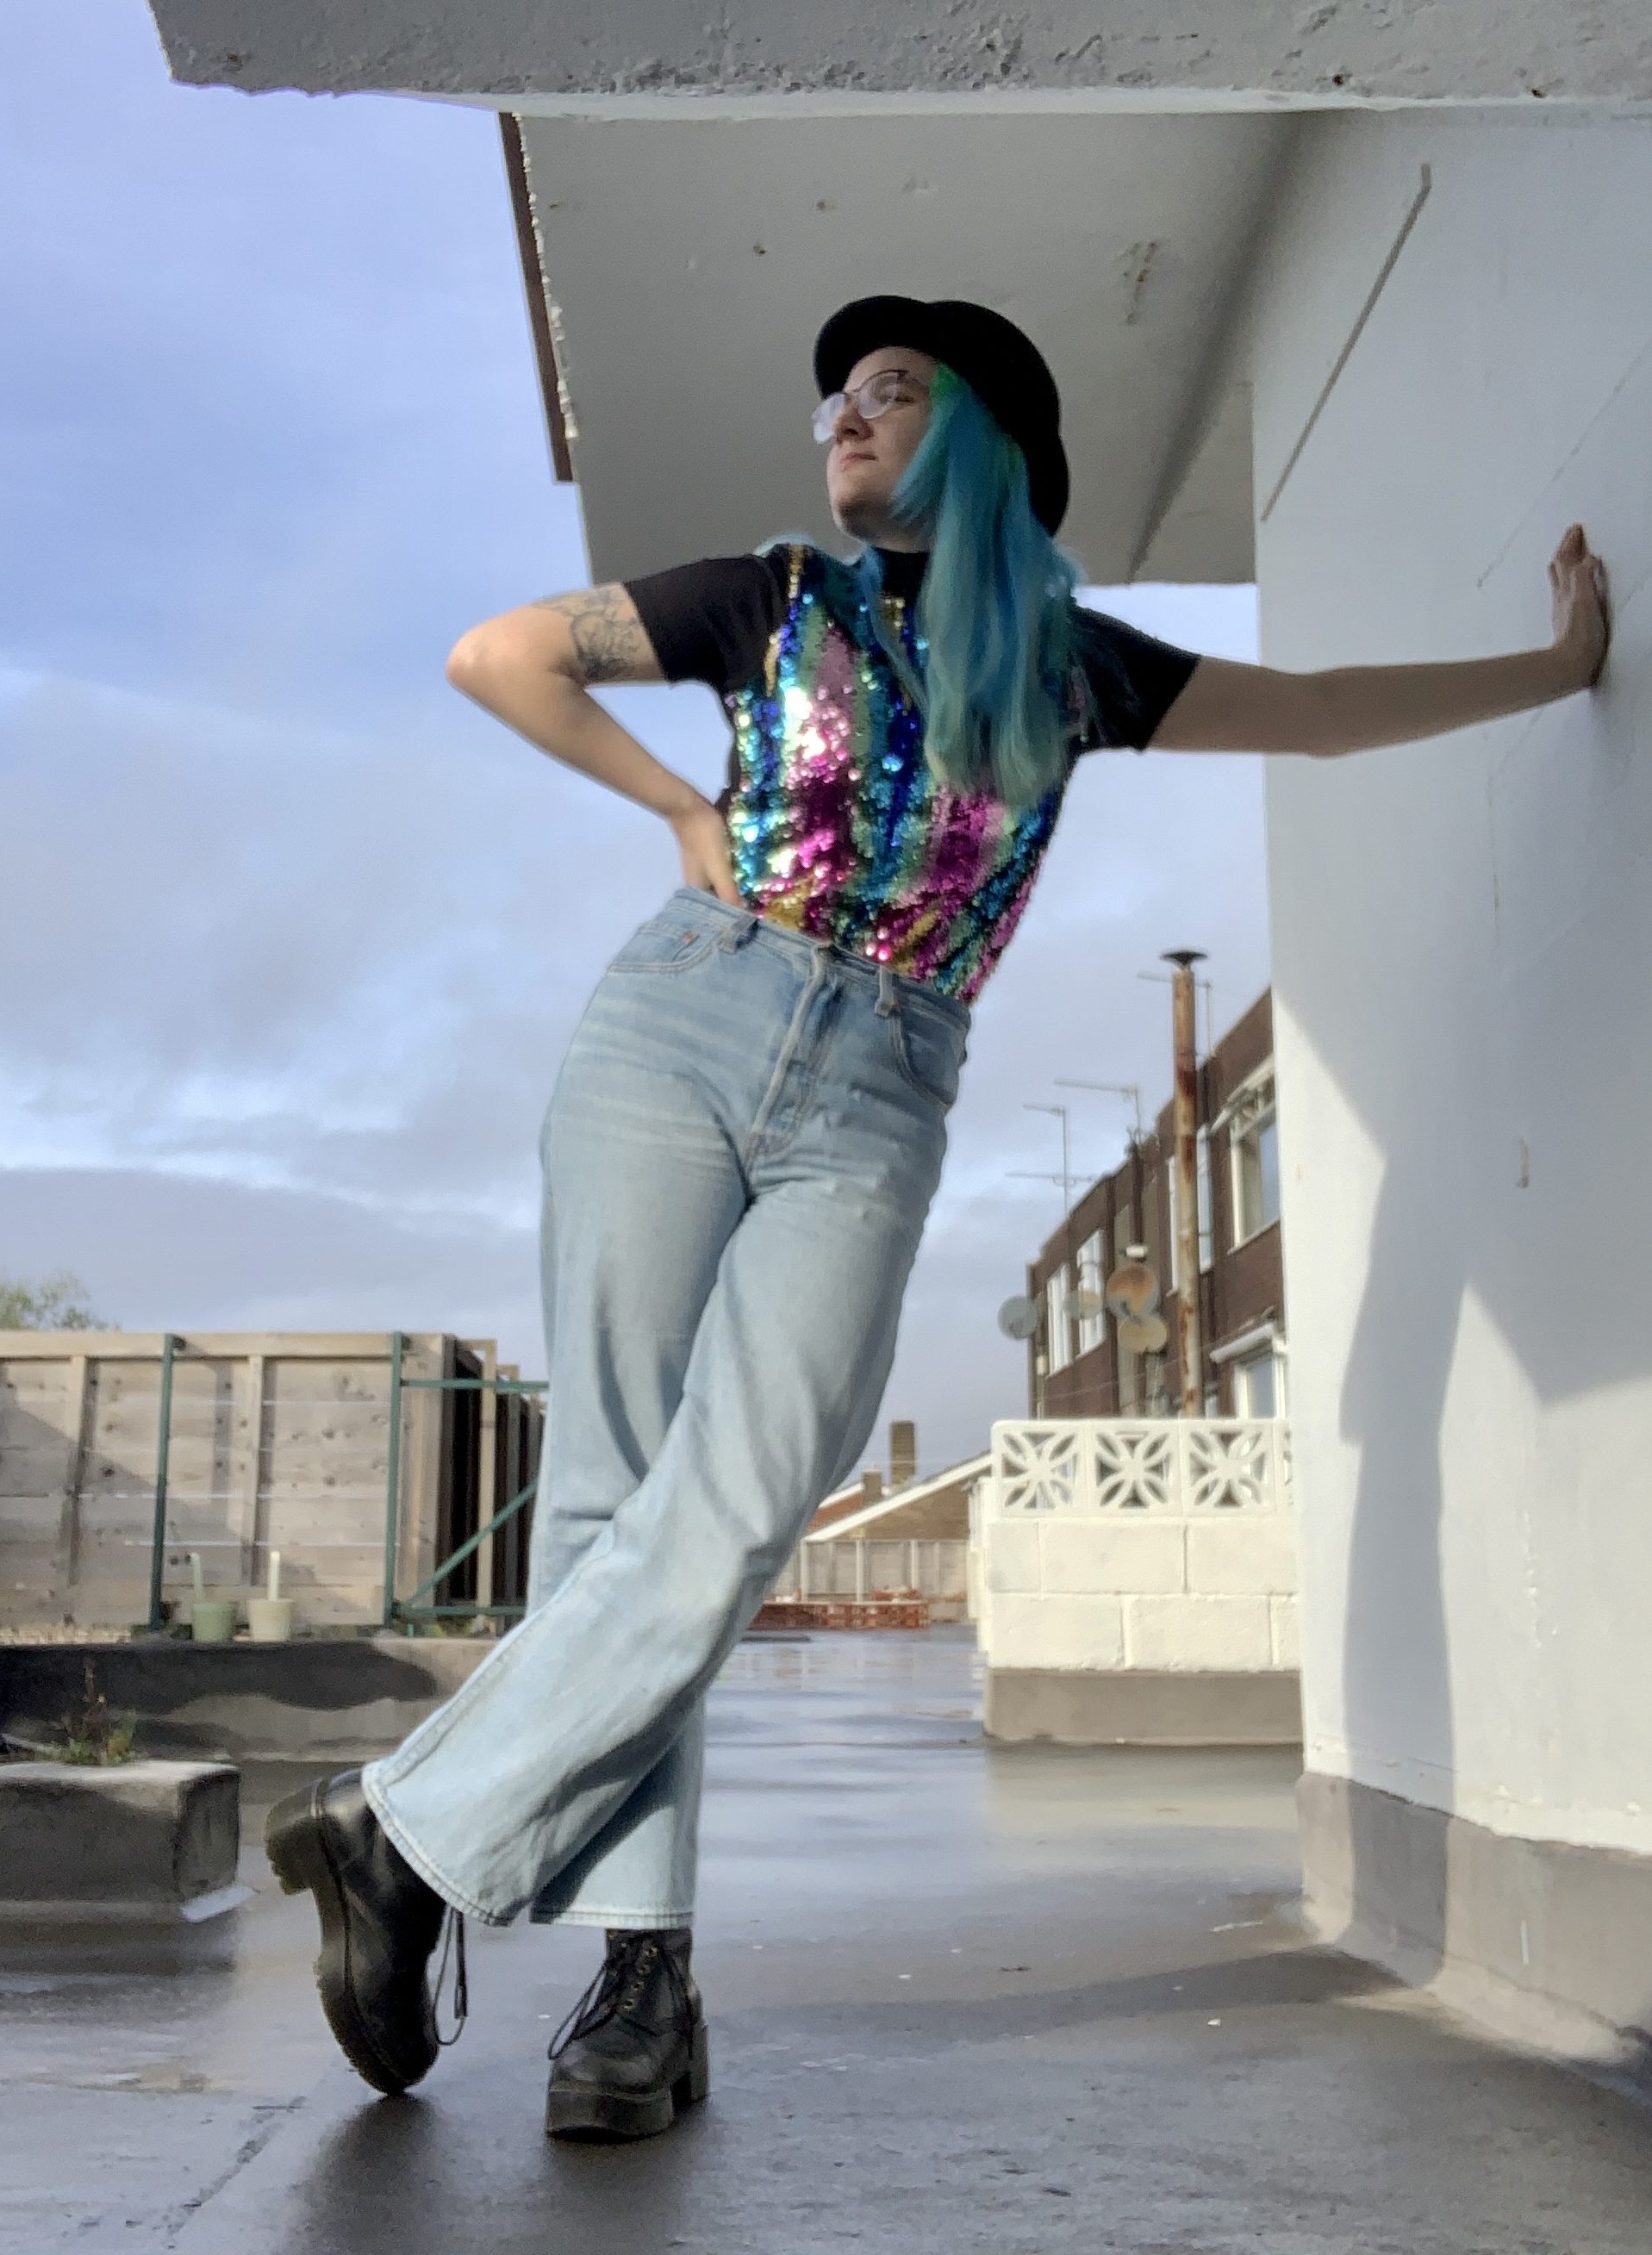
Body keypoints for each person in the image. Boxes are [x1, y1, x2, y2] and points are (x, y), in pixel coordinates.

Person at [265, 295, 1611, 2140]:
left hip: (887, 1078)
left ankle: (401, 1835)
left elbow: (1307, 718)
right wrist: (677, 808)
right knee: (612, 1498)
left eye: (892, 394)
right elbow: (499, 653)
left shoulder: (1065, 664)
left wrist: (1550, 672)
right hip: (679, 1020)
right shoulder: (765, 596)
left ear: (981, 443)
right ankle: (635, 1989)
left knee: (741, 1495)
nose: (846, 416)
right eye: (835, 394)